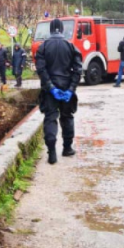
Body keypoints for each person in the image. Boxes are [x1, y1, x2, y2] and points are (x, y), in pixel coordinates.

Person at [36, 19, 84, 164]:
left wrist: (51, 87)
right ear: (62, 30)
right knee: (67, 117)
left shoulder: (42, 47)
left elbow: (41, 70)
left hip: (50, 90)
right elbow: (78, 69)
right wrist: (71, 89)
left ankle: (52, 153)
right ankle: (67, 148)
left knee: (50, 118)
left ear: (50, 30)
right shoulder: (71, 46)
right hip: (66, 85)